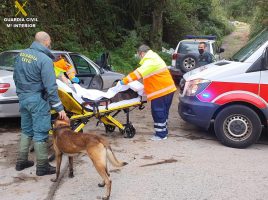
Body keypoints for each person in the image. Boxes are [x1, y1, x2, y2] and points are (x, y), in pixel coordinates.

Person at [13, 31, 68, 176]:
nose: (50, 44)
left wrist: (21, 94)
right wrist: (59, 107)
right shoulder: (44, 59)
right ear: (46, 42)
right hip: (38, 100)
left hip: (23, 98)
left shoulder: (20, 55)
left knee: (26, 130)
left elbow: (15, 77)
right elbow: (51, 86)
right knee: (40, 132)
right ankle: (42, 166)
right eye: (49, 42)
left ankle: (21, 161)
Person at [120, 44, 177, 141]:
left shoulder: (150, 61)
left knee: (158, 111)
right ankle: (163, 131)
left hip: (161, 92)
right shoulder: (154, 58)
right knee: (163, 112)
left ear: (141, 53)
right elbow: (152, 78)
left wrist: (124, 81)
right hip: (167, 90)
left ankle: (160, 135)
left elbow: (138, 73)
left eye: (138, 54)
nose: (138, 57)